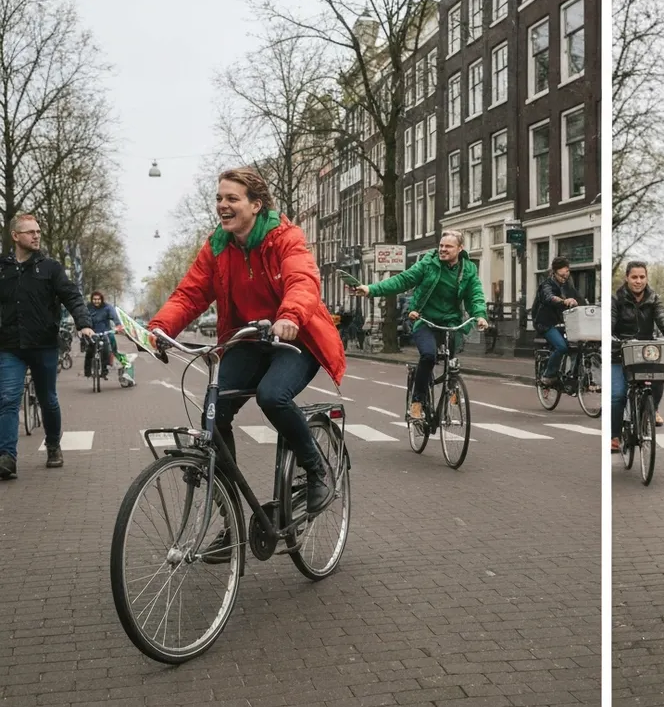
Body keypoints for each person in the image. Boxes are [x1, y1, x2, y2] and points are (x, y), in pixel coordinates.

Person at [148, 167, 346, 518]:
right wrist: (160, 328)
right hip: (250, 340)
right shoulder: (218, 247)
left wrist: (289, 316)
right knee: (215, 411)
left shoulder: (285, 237)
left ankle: (316, 470)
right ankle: (231, 519)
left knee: (273, 396)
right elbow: (190, 294)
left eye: (232, 198)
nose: (222, 205)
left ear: (256, 205)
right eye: (219, 198)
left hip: (296, 338)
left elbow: (302, 280)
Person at [350, 231, 488, 418]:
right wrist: (370, 289)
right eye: (441, 245)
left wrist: (480, 315)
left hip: (450, 322)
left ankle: (451, 387)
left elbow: (475, 295)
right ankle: (417, 401)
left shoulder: (468, 269)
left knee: (452, 358)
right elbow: (403, 280)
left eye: (448, 246)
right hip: (424, 319)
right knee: (429, 356)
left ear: (460, 249)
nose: (443, 249)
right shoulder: (428, 264)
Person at [0, 213, 94, 478]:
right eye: (30, 232)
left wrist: (83, 323)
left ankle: (53, 445)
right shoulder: (3, 268)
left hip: (43, 345)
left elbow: (72, 296)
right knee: (7, 399)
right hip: (10, 346)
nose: (36, 236)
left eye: (38, 231)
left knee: (48, 399)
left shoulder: (51, 268)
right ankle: (7, 457)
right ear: (15, 236)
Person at [611, 261, 664, 450]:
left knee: (658, 376)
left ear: (646, 278)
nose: (638, 281)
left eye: (642, 277)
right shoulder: (616, 299)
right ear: (627, 278)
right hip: (619, 352)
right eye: (634, 277)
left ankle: (652, 409)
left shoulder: (653, 299)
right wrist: (612, 338)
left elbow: (662, 318)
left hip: (645, 352)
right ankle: (614, 436)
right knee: (617, 395)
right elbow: (610, 322)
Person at [534, 256, 585, 385]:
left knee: (579, 345)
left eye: (567, 273)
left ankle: (572, 375)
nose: (564, 277)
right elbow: (549, 297)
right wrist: (564, 301)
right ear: (554, 272)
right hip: (545, 323)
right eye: (562, 275)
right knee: (561, 347)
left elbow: (579, 299)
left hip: (563, 323)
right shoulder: (546, 285)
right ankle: (548, 375)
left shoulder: (568, 285)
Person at [84, 291, 122, 378]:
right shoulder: (88, 307)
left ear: (101, 300)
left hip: (105, 332)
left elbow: (114, 316)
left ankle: (104, 370)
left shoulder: (107, 307)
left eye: (98, 299)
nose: (96, 301)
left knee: (106, 350)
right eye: (94, 299)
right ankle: (87, 372)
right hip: (92, 332)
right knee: (89, 351)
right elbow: (83, 316)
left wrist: (118, 325)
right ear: (92, 300)